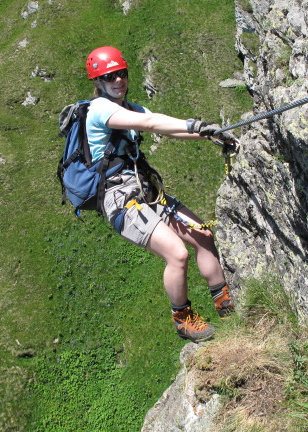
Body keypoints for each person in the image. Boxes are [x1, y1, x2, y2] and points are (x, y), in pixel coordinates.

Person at [84, 46, 238, 342]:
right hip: (119, 199)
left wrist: (209, 133)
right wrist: (194, 126)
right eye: (109, 76)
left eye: (121, 74)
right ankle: (183, 319)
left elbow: (166, 128)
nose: (118, 81)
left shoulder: (132, 109)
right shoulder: (100, 110)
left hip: (146, 190)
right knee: (177, 254)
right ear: (98, 83)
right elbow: (152, 124)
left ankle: (226, 303)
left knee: (203, 237)